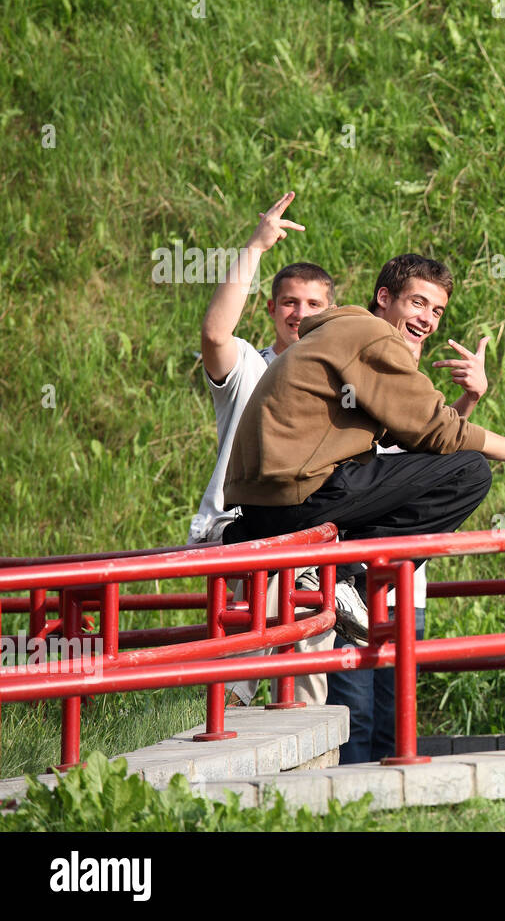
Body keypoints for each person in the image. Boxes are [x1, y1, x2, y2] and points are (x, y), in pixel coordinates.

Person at [222, 253, 505, 761]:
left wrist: (466, 404)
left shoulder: (341, 336)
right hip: (298, 495)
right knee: (472, 472)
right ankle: (350, 576)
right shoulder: (369, 336)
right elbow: (444, 436)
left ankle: (341, 574)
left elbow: (420, 443)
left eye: (436, 311)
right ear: (383, 298)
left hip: (275, 502)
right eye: (417, 302)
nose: (427, 319)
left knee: (456, 467)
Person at [189, 191, 339, 707]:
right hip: (239, 537)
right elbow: (214, 334)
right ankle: (229, 708)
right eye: (291, 303)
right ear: (272, 308)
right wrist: (256, 245)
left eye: (314, 305)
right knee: (233, 692)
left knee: (307, 694)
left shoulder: (342, 385)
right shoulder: (249, 367)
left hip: (311, 553)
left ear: (332, 312)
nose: (300, 314)